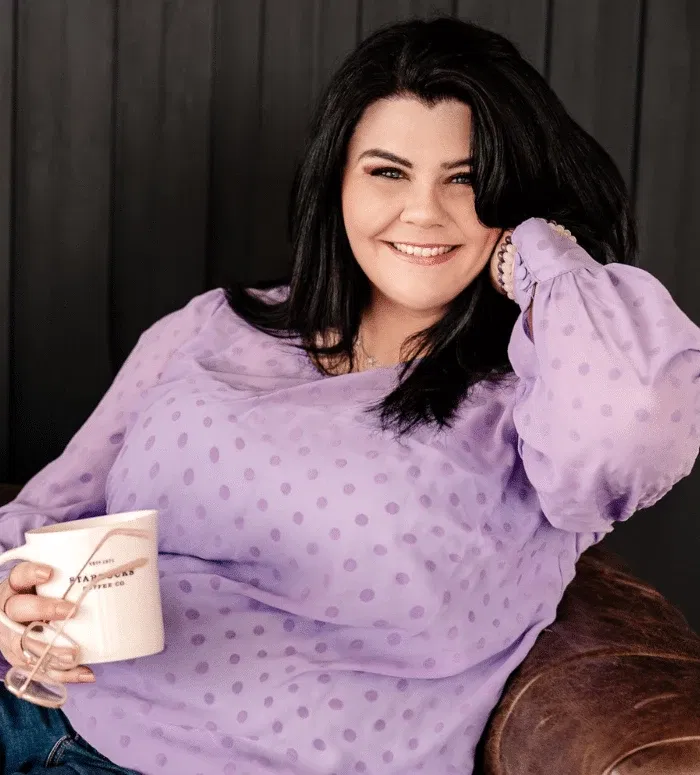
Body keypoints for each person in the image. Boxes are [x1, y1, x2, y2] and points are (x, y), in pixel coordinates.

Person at [0, 13, 698, 775]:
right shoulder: (213, 326)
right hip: (41, 710)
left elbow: (640, 419)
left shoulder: (541, 409)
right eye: (387, 171)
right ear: (337, 181)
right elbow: (41, 515)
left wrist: (539, 254)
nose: (424, 212)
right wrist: (11, 604)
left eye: (466, 179)